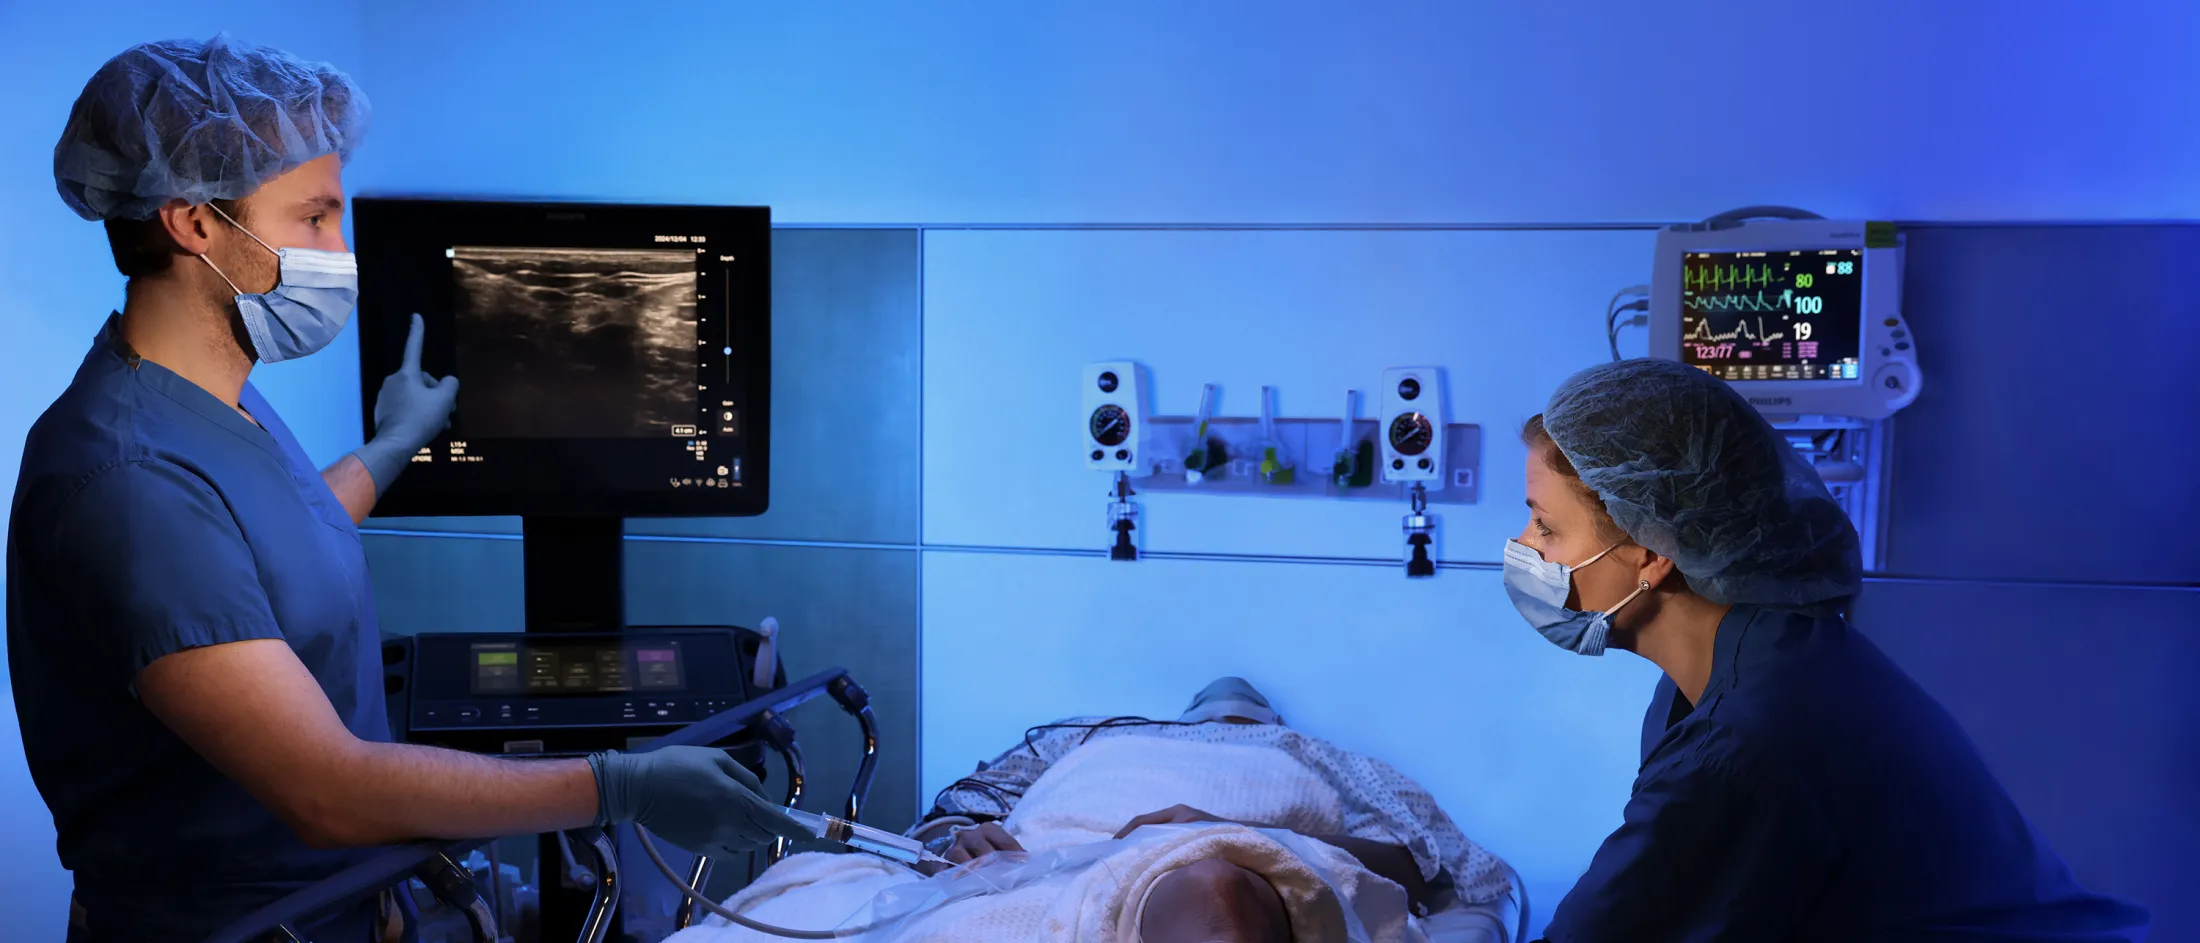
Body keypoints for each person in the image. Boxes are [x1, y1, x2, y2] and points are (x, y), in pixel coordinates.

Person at [10, 36, 802, 943]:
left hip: (343, 909)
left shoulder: (211, 400)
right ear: (195, 224)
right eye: (313, 219)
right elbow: (328, 789)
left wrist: (389, 447)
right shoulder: (127, 477)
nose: (338, 252)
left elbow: (275, 538)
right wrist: (617, 784)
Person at [1506, 359, 2149, 942]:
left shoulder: (1743, 743)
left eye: (1547, 525)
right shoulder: (1755, 657)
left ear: (1649, 552)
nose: (1522, 545)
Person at [912, 677, 1512, 941]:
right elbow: (955, 810)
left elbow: (1441, 868)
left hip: (1238, 869)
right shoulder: (1088, 735)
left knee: (1213, 890)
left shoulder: (1318, 755)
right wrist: (957, 840)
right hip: (1046, 867)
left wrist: (1234, 830)